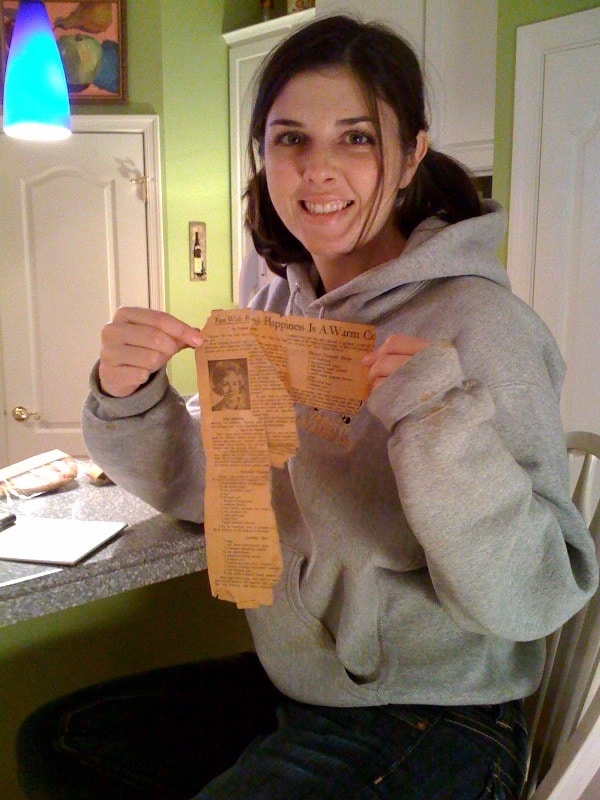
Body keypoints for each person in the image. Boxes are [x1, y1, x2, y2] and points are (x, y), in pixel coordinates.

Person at [17, 15, 598, 800]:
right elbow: (208, 490)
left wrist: (438, 426)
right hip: (300, 685)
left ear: (410, 156)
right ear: (263, 156)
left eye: (356, 138)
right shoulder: (276, 312)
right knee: (58, 740)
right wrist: (130, 398)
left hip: (438, 714)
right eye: (291, 138)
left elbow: (534, 595)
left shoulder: (482, 324)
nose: (318, 169)